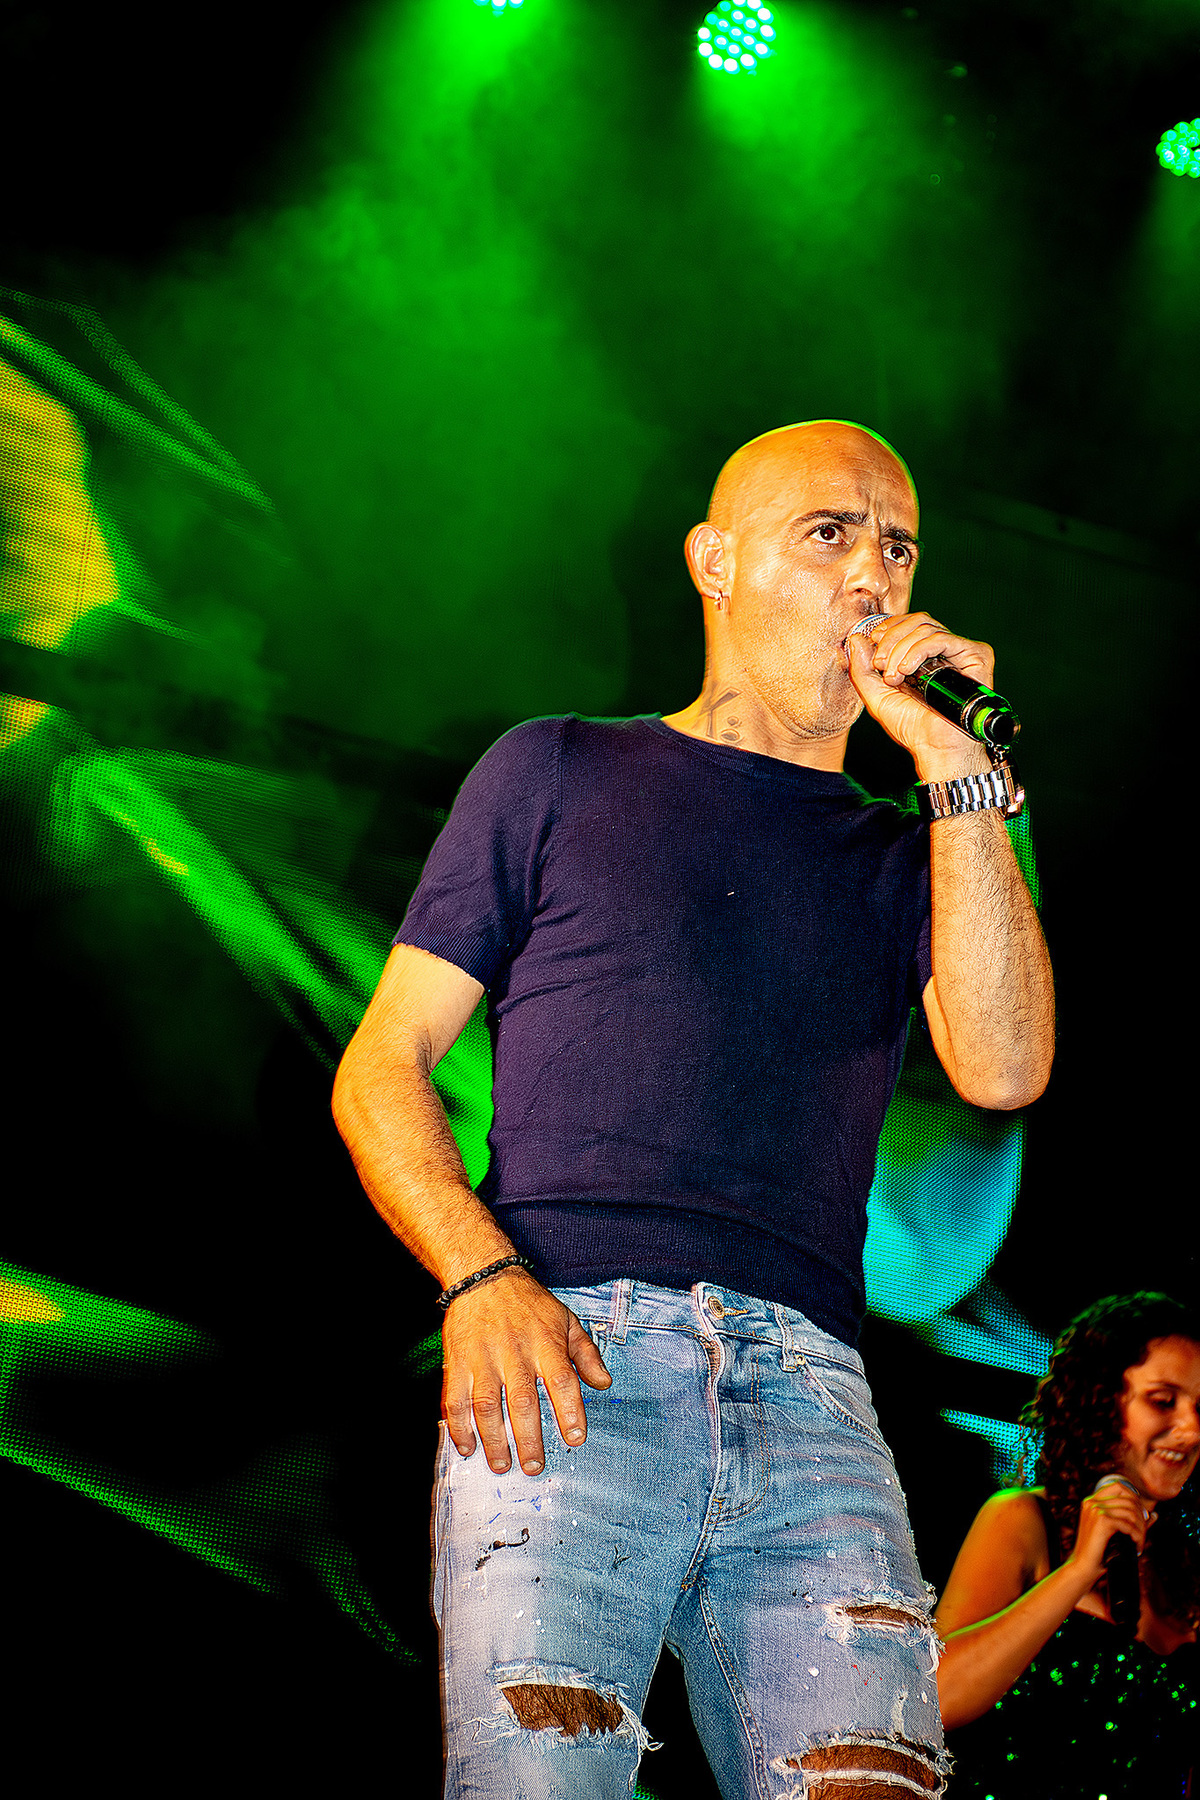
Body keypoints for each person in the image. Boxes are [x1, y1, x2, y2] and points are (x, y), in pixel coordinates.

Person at [332, 420, 1055, 1798]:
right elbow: (383, 1065)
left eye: (899, 547)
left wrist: (962, 780)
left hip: (813, 1397)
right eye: (829, 533)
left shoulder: (914, 847)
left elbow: (1007, 1067)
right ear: (714, 563)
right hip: (569, 1357)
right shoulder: (558, 769)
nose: (874, 575)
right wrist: (479, 1274)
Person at [935, 1292, 1200, 1797]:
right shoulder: (1021, 1519)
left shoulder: (1186, 1569)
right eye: (1163, 1400)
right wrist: (1077, 1571)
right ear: (1099, 1400)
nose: (1190, 1429)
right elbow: (938, 1698)